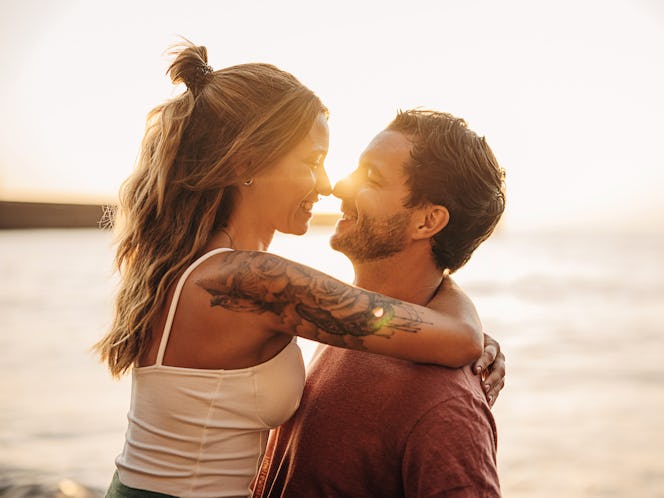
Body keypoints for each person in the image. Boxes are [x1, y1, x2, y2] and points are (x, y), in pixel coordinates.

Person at [95, 41, 504, 498]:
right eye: (312, 162)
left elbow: (405, 324)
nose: (328, 185)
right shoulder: (250, 281)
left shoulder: (204, 265)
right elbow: (459, 340)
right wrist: (465, 318)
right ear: (247, 162)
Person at [253, 109, 506, 497]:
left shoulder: (446, 407)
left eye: (370, 178)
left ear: (427, 222)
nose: (338, 187)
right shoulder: (354, 326)